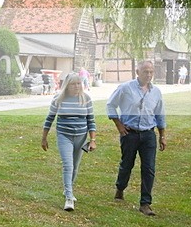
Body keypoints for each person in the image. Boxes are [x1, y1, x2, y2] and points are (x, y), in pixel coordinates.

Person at [106, 60, 167, 216]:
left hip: (148, 134)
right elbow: (110, 104)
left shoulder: (156, 92)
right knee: (127, 164)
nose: (148, 75)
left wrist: (162, 135)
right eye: (145, 71)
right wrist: (119, 124)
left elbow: (160, 114)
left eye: (151, 72)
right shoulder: (126, 88)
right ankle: (120, 187)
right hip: (129, 133)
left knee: (149, 168)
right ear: (137, 72)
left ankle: (145, 203)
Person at [41, 73, 96, 211]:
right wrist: (44, 137)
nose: (76, 86)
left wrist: (93, 140)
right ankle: (69, 198)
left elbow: (91, 121)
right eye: (73, 84)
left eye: (79, 83)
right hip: (64, 136)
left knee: (75, 166)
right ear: (67, 85)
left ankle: (68, 189)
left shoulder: (86, 99)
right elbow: (50, 118)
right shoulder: (58, 99)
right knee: (68, 165)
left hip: (81, 137)